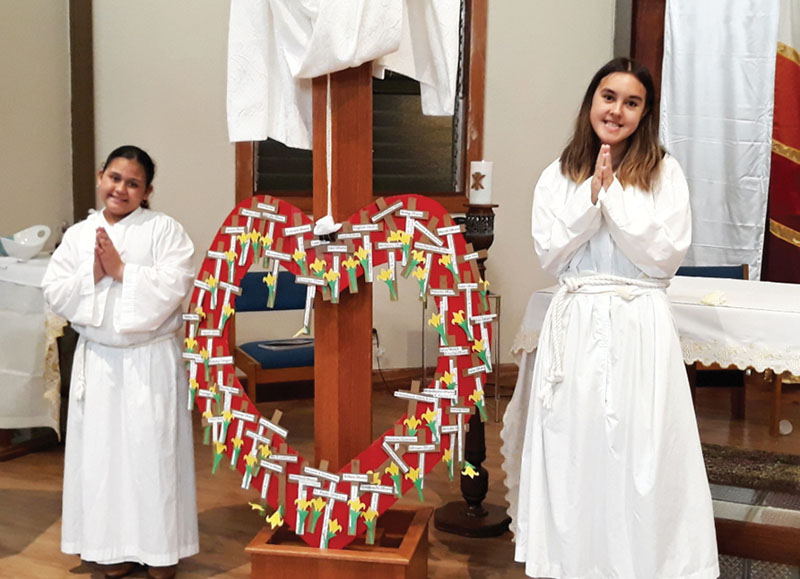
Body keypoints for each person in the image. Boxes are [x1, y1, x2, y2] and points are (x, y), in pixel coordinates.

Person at [501, 58, 719, 578]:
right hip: (577, 323)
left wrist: (614, 199)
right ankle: (572, 563)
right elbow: (550, 255)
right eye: (609, 97)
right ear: (591, 102)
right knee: (575, 445)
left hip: (639, 323)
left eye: (631, 102)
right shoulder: (558, 176)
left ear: (645, 114)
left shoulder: (664, 173)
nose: (617, 110)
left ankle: (646, 565)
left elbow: (663, 257)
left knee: (641, 449)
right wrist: (590, 199)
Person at [43, 145, 198, 579]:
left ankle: (161, 550)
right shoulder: (79, 235)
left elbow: (177, 283)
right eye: (115, 178)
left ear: (147, 191)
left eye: (133, 183)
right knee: (103, 459)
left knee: (153, 455)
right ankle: (110, 548)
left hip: (149, 360)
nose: (121, 189)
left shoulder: (165, 230)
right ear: (101, 176)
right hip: (100, 360)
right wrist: (93, 273)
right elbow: (54, 290)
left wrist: (122, 271)